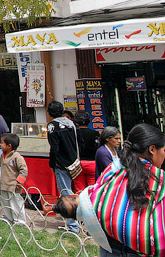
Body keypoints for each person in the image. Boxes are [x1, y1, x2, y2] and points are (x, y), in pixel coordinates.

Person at [53, 123, 165, 257]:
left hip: (109, 248)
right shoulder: (160, 178)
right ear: (152, 149)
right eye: (163, 151)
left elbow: (95, 196)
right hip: (143, 251)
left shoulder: (112, 171)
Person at [46, 100, 80, 233]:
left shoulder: (53, 126)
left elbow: (54, 148)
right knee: (74, 191)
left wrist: (52, 163)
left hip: (62, 163)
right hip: (74, 162)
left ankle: (72, 226)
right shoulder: (71, 124)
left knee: (66, 193)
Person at [0, 133, 28, 226]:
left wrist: (20, 181)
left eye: (2, 143)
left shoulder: (17, 157)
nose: (0, 145)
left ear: (9, 146)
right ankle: (8, 219)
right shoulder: (3, 155)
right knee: (5, 203)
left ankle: (20, 222)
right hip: (4, 185)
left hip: (13, 186)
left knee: (16, 204)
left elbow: (24, 169)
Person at [73, 110, 99, 192]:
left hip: (77, 164)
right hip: (92, 163)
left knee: (79, 189)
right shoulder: (95, 134)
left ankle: (81, 204)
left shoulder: (73, 134)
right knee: (93, 189)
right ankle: (92, 204)